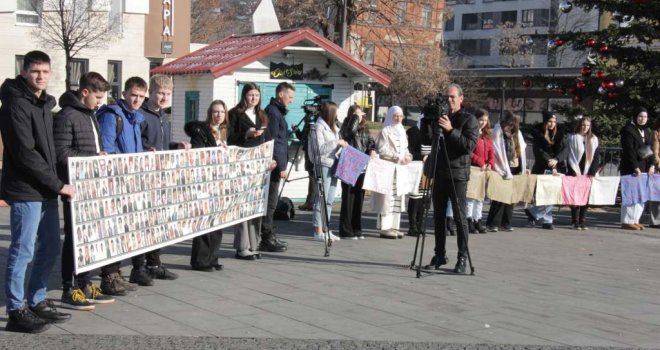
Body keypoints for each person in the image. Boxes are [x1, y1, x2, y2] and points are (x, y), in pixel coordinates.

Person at [0, 50, 74, 333]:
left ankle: (37, 300)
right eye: (35, 71)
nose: (41, 76)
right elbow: (25, 153)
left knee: (51, 246)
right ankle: (16, 310)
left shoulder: (43, 104)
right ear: (24, 72)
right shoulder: (15, 105)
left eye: (45, 71)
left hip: (46, 188)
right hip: (25, 189)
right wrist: (58, 184)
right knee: (23, 250)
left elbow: (50, 150)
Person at [54, 72, 117, 311]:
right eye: (98, 96)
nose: (100, 101)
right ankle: (68, 288)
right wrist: (93, 157)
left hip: (92, 186)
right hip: (74, 187)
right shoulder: (67, 116)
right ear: (85, 92)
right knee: (73, 238)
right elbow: (61, 154)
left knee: (89, 238)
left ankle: (85, 283)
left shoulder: (90, 115)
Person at [96, 76, 148, 292]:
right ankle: (108, 276)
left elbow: (134, 149)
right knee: (112, 230)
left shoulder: (135, 117)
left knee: (123, 231)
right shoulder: (113, 116)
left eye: (141, 96)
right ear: (125, 93)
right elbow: (108, 148)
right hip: (116, 181)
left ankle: (116, 273)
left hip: (130, 182)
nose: (136, 100)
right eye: (133, 95)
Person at [133, 74, 184, 284]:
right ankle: (139, 266)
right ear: (151, 93)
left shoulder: (163, 116)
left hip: (160, 176)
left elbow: (161, 144)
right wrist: (147, 151)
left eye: (167, 94)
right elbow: (138, 144)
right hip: (144, 176)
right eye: (160, 93)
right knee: (143, 224)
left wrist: (175, 146)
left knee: (157, 223)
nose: (164, 97)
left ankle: (154, 263)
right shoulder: (141, 115)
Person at [422, 84, 478, 274]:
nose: (449, 100)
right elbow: (428, 139)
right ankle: (439, 254)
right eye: (447, 97)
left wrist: (450, 130)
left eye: (453, 97)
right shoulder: (440, 116)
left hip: (458, 174)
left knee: (459, 216)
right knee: (437, 215)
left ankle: (462, 257)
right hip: (439, 170)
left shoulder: (469, 119)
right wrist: (428, 121)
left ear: (461, 98)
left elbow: (468, 146)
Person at [228, 83, 277, 259]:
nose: (253, 98)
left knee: (256, 205)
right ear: (244, 96)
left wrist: (272, 158)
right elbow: (229, 137)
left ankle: (253, 244)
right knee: (242, 205)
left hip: (259, 168)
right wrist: (246, 134)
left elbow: (269, 139)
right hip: (242, 165)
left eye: (256, 95)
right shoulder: (234, 114)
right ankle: (242, 247)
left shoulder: (262, 115)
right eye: (250, 95)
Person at [185, 100, 228, 271]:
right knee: (204, 220)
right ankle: (200, 260)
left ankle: (212, 257)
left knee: (217, 221)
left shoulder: (224, 131)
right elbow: (198, 151)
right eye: (216, 112)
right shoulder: (201, 131)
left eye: (222, 112)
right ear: (210, 113)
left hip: (220, 180)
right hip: (205, 181)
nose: (219, 115)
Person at [261, 82, 295, 252]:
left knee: (271, 203)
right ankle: (266, 237)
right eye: (290, 97)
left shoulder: (277, 112)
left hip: (277, 164)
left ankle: (268, 234)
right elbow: (273, 141)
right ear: (281, 94)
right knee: (271, 203)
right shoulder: (273, 113)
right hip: (274, 165)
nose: (291, 101)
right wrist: (280, 165)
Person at [309, 101, 347, 242]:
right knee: (321, 198)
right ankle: (317, 230)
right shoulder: (318, 127)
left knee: (330, 199)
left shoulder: (334, 128)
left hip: (334, 163)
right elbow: (319, 149)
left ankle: (326, 228)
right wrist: (336, 143)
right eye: (335, 112)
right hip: (323, 164)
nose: (337, 114)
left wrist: (342, 145)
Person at [373, 106, 412, 239]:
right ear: (390, 116)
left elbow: (405, 148)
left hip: (399, 169)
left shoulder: (402, 131)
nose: (398, 118)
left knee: (397, 197)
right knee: (387, 198)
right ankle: (385, 228)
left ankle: (395, 226)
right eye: (396, 115)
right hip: (388, 168)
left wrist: (408, 157)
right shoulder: (386, 131)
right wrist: (396, 156)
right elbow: (382, 150)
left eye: (400, 116)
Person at [338, 104, 375, 239]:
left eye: (361, 114)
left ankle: (357, 228)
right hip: (349, 164)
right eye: (356, 114)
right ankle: (346, 230)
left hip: (362, 165)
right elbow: (348, 135)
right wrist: (354, 119)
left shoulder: (365, 128)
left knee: (359, 197)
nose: (360, 117)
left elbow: (371, 142)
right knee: (348, 197)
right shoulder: (346, 126)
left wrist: (372, 150)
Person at [486, 111, 527, 233]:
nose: (509, 126)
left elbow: (522, 149)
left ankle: (506, 222)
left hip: (514, 167)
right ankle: (493, 223)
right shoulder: (497, 132)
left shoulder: (517, 134)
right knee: (499, 197)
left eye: (513, 124)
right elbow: (496, 150)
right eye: (509, 123)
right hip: (501, 168)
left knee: (511, 198)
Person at [525, 111, 565, 230]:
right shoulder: (538, 134)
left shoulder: (561, 134)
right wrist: (550, 162)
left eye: (554, 122)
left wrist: (556, 160)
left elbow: (565, 150)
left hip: (557, 166)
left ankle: (534, 214)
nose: (552, 124)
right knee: (541, 194)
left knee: (552, 194)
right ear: (545, 122)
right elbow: (539, 151)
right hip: (542, 166)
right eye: (549, 121)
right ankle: (545, 219)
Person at [620, 107, 654, 230]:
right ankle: (627, 221)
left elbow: (649, 150)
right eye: (640, 116)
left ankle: (635, 219)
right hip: (631, 168)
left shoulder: (647, 131)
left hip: (644, 167)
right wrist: (635, 166)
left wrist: (652, 165)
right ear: (635, 117)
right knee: (630, 194)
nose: (642, 119)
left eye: (645, 117)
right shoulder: (628, 130)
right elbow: (629, 150)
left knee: (641, 195)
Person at [566, 116, 600, 230]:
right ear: (579, 125)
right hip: (575, 170)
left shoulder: (594, 139)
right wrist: (572, 170)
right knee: (575, 197)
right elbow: (569, 155)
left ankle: (582, 221)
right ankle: (574, 221)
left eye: (587, 125)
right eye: (583, 125)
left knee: (586, 197)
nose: (585, 127)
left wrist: (592, 171)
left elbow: (596, 157)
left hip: (588, 172)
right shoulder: (573, 138)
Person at [466, 108, 495, 234]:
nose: (483, 122)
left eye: (485, 120)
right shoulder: (472, 133)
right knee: (471, 197)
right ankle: (469, 220)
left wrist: (490, 163)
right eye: (481, 120)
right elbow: (469, 151)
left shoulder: (486, 135)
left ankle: (478, 219)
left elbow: (491, 151)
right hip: (474, 168)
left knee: (480, 197)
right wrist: (480, 162)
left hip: (484, 171)